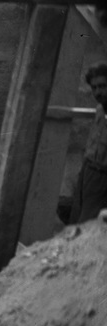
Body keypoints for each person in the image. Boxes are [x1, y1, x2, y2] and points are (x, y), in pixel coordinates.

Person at [72, 63, 107, 223]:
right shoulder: (100, 110)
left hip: (103, 175)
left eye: (103, 86)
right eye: (94, 88)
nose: (98, 92)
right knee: (78, 217)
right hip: (89, 171)